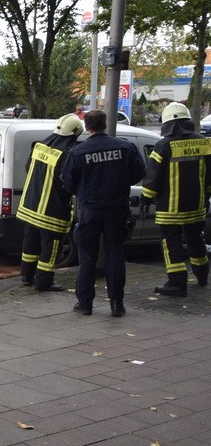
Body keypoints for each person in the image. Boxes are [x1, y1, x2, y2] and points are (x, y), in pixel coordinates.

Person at [60, 110, 145, 317]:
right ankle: (117, 304)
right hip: (117, 208)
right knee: (115, 253)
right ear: (105, 124)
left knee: (87, 256)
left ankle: (85, 304)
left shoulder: (79, 152)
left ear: (87, 127)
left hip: (90, 209)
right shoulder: (126, 147)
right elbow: (139, 173)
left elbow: (67, 182)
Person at [140, 102, 211, 297]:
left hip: (170, 209)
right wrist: (206, 197)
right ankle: (202, 275)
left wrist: (146, 199)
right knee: (196, 240)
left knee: (172, 245)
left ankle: (177, 283)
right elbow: (209, 175)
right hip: (196, 207)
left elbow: (153, 177)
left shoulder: (163, 145)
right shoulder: (203, 142)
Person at [18, 115, 83, 292]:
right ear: (75, 133)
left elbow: (28, 168)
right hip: (51, 212)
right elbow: (69, 183)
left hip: (29, 207)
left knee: (30, 243)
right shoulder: (66, 154)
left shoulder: (39, 146)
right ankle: (44, 282)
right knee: (52, 246)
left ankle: (26, 276)